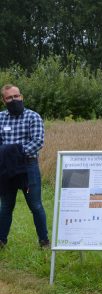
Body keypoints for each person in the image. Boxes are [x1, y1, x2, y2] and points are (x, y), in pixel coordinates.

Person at [0, 84, 50, 249]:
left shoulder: (33, 117)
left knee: (35, 205)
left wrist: (13, 154)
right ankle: (1, 241)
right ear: (4, 100)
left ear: (21, 97)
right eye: (9, 98)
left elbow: (37, 142)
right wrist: (8, 156)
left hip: (28, 167)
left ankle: (44, 241)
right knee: (6, 206)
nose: (13, 100)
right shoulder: (0, 118)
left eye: (16, 96)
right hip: (6, 169)